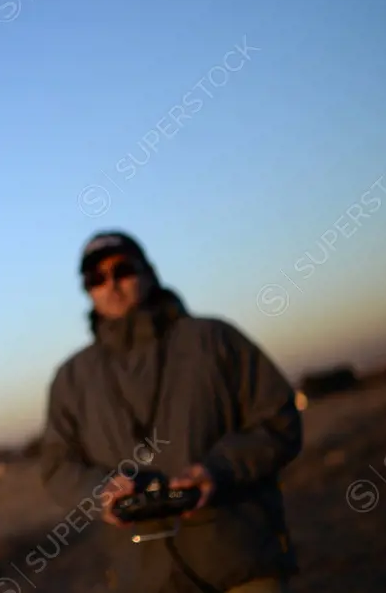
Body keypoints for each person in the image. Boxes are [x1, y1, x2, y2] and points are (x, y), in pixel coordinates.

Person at [39, 230, 303, 593]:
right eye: (96, 278)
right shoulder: (70, 379)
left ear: (149, 271)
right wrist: (102, 491)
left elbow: (279, 420)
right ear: (87, 291)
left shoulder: (214, 339)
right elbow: (56, 466)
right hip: (142, 576)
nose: (111, 285)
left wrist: (218, 470)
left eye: (122, 270)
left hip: (240, 562)